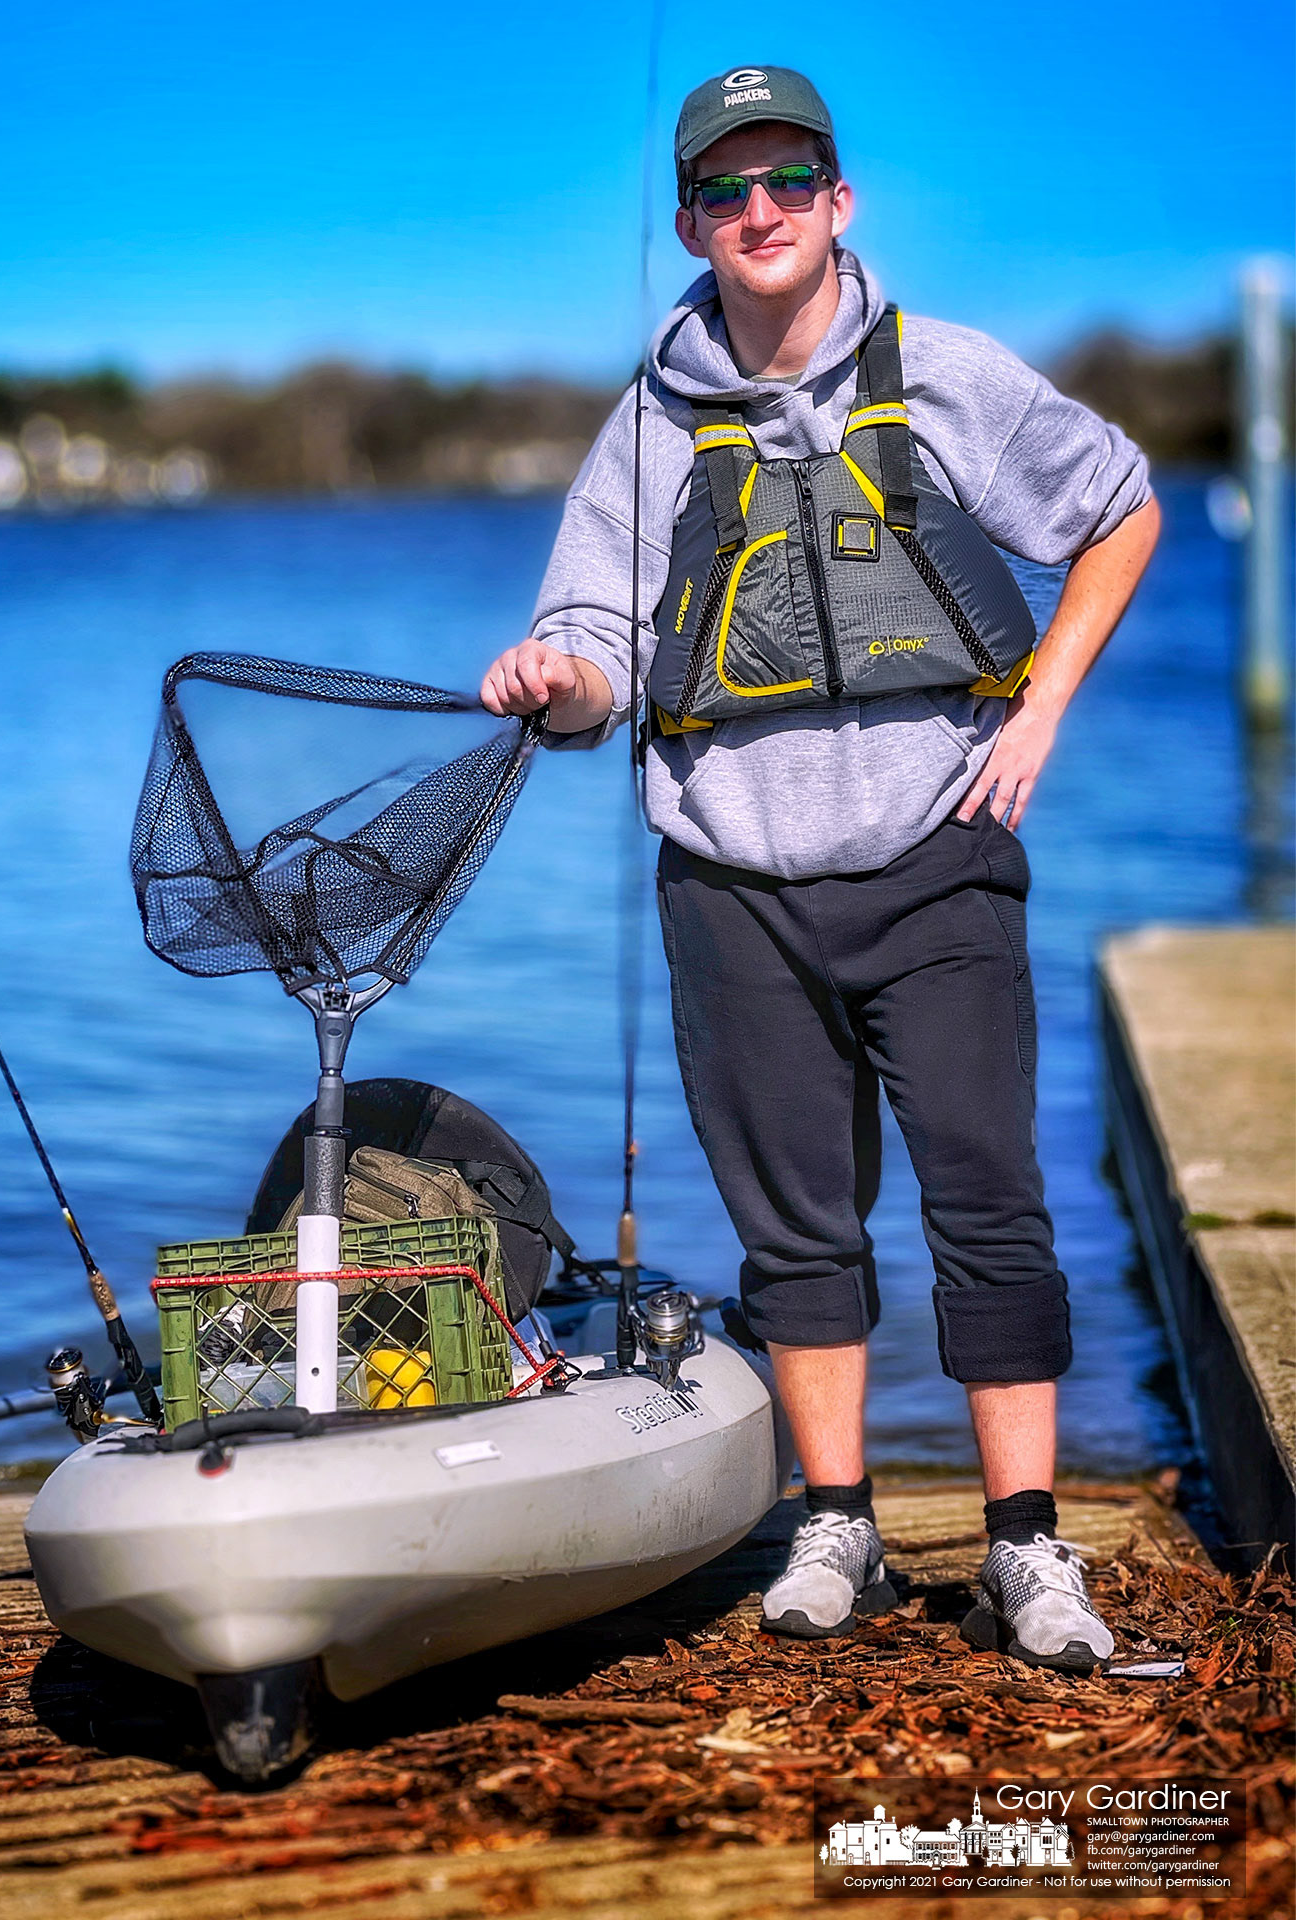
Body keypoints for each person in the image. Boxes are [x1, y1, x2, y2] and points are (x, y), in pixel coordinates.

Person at [480, 65, 1160, 1674]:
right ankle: (836, 1521)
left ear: (838, 203)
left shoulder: (942, 375)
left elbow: (1121, 507)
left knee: (988, 1206)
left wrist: (1040, 709)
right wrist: (552, 681)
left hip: (936, 857)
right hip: (729, 884)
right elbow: (587, 647)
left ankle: (1022, 1549)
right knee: (796, 1230)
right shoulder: (647, 425)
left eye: (789, 180)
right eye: (726, 193)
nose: (760, 211)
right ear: (687, 228)